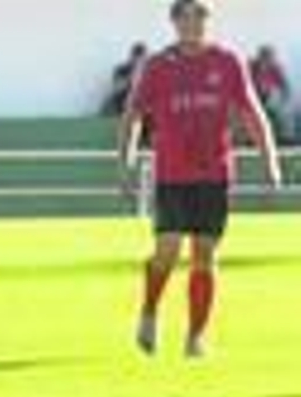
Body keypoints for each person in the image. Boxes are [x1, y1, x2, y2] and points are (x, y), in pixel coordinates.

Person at [119, 0, 283, 358]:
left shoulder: (227, 62)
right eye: (187, 16)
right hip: (172, 175)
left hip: (214, 174)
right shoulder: (158, 67)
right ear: (174, 21)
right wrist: (126, 162)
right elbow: (133, 116)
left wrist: (271, 163)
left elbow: (253, 112)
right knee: (168, 250)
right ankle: (149, 311)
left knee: (204, 255)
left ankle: (195, 338)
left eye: (202, 15)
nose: (194, 23)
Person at [249, 45, 293, 144]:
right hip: (254, 96)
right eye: (264, 58)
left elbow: (285, 87)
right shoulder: (252, 67)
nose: (266, 62)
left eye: (269, 59)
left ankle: (280, 137)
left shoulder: (276, 69)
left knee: (274, 113)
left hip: (268, 97)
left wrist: (283, 100)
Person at [102, 43, 150, 116]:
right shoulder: (122, 69)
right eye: (137, 57)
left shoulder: (150, 70)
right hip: (124, 100)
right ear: (132, 56)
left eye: (142, 58)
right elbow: (118, 87)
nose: (139, 61)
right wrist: (131, 80)